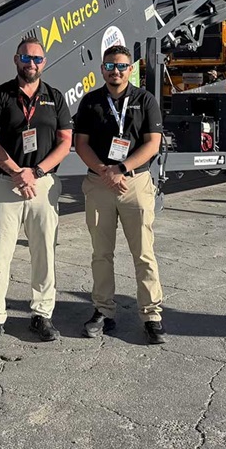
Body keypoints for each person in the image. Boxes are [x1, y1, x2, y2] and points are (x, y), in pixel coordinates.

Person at [0, 36, 73, 347]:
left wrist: (37, 172)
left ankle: (42, 315)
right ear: (16, 60)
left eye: (37, 59)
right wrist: (16, 172)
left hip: (42, 184)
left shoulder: (54, 97)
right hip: (5, 183)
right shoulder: (1, 95)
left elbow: (65, 142)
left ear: (43, 63)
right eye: (26, 58)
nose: (31, 64)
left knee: (44, 252)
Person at [73, 45, 166, 345]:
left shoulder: (145, 100)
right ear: (102, 69)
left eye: (122, 66)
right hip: (100, 183)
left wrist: (122, 168)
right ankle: (103, 310)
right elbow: (81, 144)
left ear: (131, 69)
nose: (116, 71)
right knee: (101, 253)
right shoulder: (90, 102)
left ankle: (151, 315)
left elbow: (152, 143)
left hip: (134, 183)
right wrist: (105, 171)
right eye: (110, 66)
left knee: (144, 253)